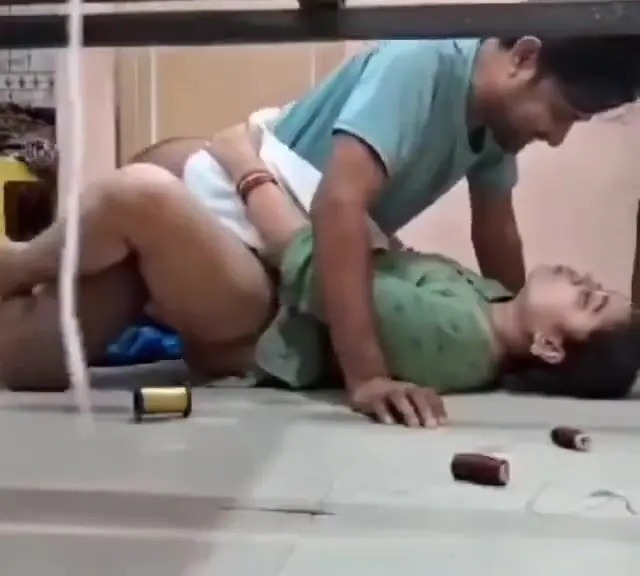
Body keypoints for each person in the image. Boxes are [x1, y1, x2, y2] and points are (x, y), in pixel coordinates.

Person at [2, 0, 639, 428]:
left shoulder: (496, 128)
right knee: (44, 341)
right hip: (254, 227)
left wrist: (516, 340)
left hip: (265, 270)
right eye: (563, 113)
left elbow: (496, 231)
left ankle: (24, 265)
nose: (556, 136)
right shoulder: (423, 65)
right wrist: (367, 373)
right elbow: (340, 206)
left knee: (137, 200)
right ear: (524, 58)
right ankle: (20, 267)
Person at [0, 113, 635, 427]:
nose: (585, 280)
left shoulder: (458, 338)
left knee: (144, 193)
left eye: (590, 300)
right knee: (149, 211)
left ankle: (16, 265)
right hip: (262, 293)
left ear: (549, 346)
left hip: (258, 320)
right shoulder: (487, 301)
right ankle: (27, 329)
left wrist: (247, 167)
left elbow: (318, 269)